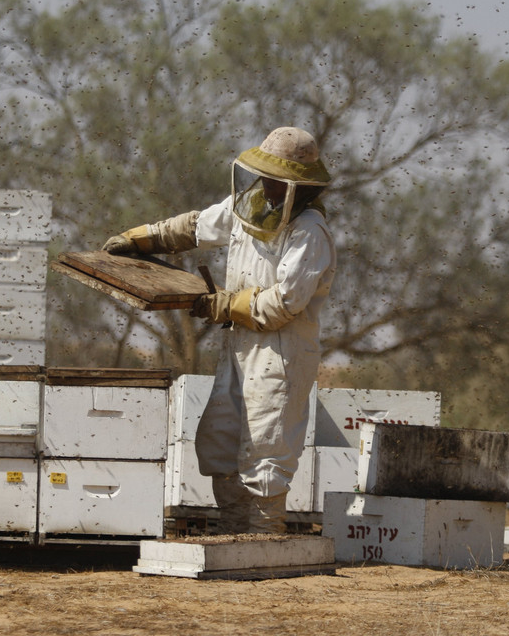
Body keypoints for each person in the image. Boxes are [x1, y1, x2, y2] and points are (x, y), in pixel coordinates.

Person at [102, 127, 336, 534]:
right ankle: (232, 531)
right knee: (220, 439)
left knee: (266, 448)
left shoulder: (309, 232)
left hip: (279, 354)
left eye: (277, 180)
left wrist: (225, 305)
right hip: (238, 345)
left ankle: (263, 536)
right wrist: (141, 239)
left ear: (299, 185)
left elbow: (283, 303)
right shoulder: (251, 207)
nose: (267, 185)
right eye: (264, 176)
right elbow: (196, 227)